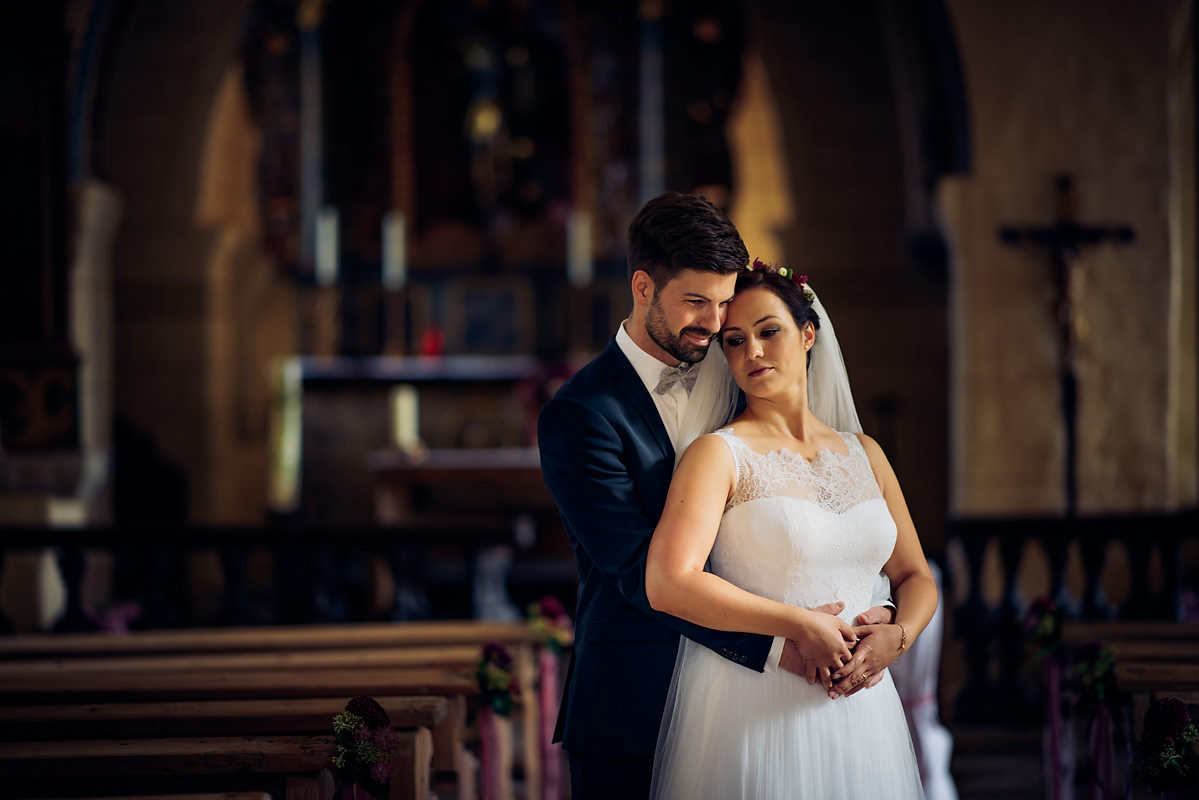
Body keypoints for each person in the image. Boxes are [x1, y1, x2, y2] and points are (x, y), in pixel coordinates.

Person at [537, 192, 893, 798]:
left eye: (724, 302)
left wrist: (873, 608)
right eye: (696, 301)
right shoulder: (581, 414)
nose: (715, 321)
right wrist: (780, 643)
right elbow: (636, 570)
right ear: (643, 288)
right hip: (637, 697)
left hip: (762, 709)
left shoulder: (739, 369)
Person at [645, 260, 939, 799]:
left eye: (769, 331)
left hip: (862, 709)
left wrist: (898, 637)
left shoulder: (865, 453)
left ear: (807, 334)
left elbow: (915, 575)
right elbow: (669, 582)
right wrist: (798, 624)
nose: (752, 352)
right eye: (735, 341)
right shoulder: (718, 454)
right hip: (756, 701)